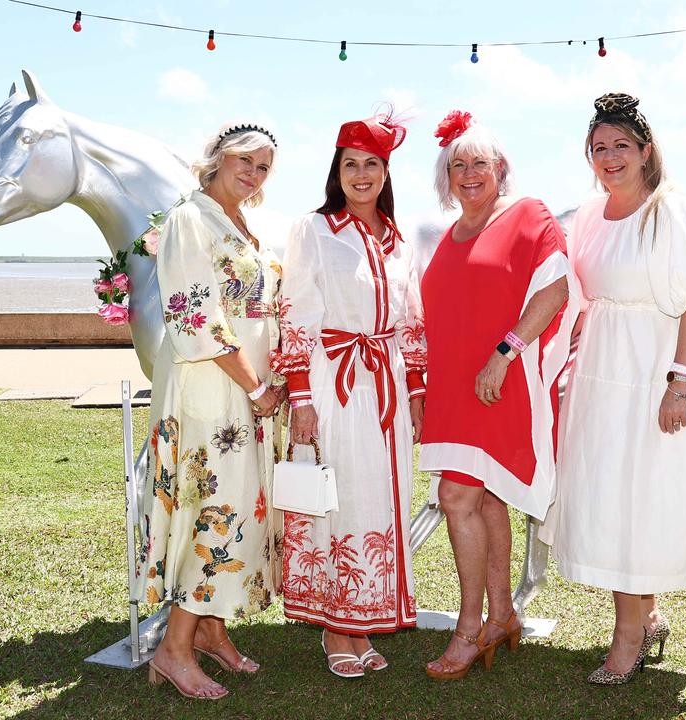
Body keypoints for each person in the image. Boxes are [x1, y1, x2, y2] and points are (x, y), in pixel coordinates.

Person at [538, 92, 686, 685]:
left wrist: (679, 383)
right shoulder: (590, 215)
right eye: (599, 148)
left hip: (654, 366)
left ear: (646, 151)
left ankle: (628, 636)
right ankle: (646, 618)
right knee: (611, 492)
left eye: (621, 145)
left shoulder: (669, 211)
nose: (610, 157)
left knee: (642, 496)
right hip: (601, 368)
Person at [418, 110, 576, 680]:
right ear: (445, 176)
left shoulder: (527, 215)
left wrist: (505, 352)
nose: (468, 172)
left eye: (478, 162)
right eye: (456, 164)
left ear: (500, 168)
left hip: (497, 381)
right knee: (483, 501)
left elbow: (555, 289)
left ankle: (466, 630)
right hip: (453, 389)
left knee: (456, 497)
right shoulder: (445, 236)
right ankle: (503, 615)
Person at [271, 113, 425, 678]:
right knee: (336, 496)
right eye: (351, 164)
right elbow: (297, 311)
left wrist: (415, 387)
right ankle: (335, 627)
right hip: (333, 380)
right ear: (337, 171)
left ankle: (361, 620)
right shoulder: (314, 230)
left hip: (383, 382)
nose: (362, 175)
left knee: (377, 498)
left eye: (373, 164)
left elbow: (411, 318)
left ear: (387, 172)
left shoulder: (399, 239)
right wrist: (301, 397)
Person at [135, 123, 285, 700]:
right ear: (218, 158)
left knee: (239, 501)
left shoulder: (243, 225)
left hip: (244, 388)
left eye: (264, 166)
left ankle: (210, 632)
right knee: (212, 507)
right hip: (211, 388)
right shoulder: (189, 219)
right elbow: (196, 317)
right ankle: (173, 649)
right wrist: (254, 388)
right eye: (245, 160)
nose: (253, 172)